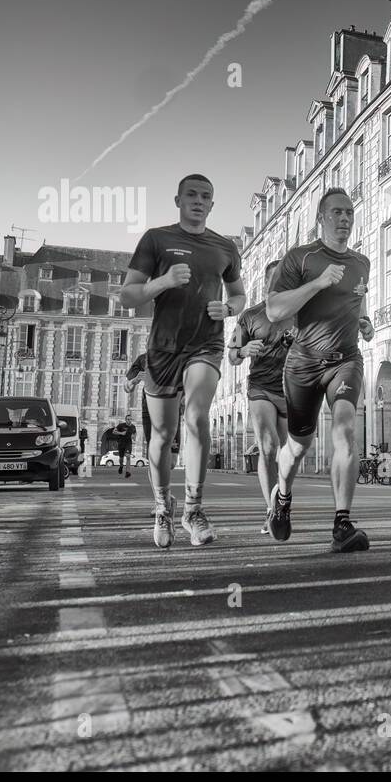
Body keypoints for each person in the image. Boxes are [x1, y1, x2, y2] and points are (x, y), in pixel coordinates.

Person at [120, 173, 246, 549]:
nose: (198, 200)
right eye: (191, 194)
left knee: (196, 415)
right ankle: (162, 506)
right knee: (160, 435)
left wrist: (227, 308)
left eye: (205, 196)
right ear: (178, 200)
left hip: (205, 345)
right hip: (162, 348)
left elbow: (239, 296)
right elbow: (127, 295)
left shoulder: (225, 247)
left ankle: (193, 508)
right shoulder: (156, 239)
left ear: (212, 204)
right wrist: (163, 282)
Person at [264, 187, 375, 552]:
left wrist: (364, 321)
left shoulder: (362, 262)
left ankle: (342, 524)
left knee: (345, 429)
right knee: (298, 446)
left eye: (349, 213)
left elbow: (355, 300)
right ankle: (282, 498)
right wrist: (317, 283)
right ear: (321, 219)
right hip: (303, 363)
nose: (345, 219)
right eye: (337, 213)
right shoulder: (300, 259)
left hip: (345, 360)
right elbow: (275, 311)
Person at [228, 259, 295, 534]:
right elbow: (231, 354)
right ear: (266, 283)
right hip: (261, 388)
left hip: (292, 390)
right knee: (268, 447)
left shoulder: (300, 313)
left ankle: (282, 500)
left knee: (289, 454)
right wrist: (244, 351)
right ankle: (271, 510)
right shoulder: (250, 316)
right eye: (275, 280)